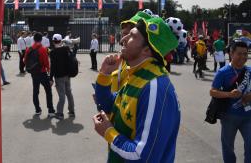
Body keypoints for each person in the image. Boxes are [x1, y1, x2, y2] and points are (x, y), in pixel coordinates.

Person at [93, 16, 180, 163]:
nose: (123, 39)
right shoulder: (138, 75)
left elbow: (141, 155)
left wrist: (108, 132)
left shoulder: (154, 86)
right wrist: (104, 75)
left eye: (131, 36)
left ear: (146, 49)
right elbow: (108, 105)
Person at [210, 40, 251, 163]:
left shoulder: (249, 71)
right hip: (229, 116)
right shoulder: (223, 72)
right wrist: (229, 94)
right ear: (231, 54)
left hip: (248, 116)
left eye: (246, 54)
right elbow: (212, 91)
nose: (243, 57)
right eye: (240, 53)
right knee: (228, 147)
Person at [24, 32, 55, 117]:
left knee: (35, 91)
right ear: (41, 39)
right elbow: (46, 63)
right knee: (48, 91)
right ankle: (50, 110)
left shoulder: (29, 49)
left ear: (33, 39)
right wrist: (49, 72)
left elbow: (24, 61)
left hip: (34, 73)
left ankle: (37, 109)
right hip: (42, 72)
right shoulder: (42, 49)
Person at [49, 33, 75, 120]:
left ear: (53, 41)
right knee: (69, 93)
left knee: (61, 95)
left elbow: (52, 66)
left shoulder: (52, 52)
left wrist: (50, 78)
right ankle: (71, 111)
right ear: (61, 41)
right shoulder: (66, 49)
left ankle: (60, 113)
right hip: (67, 75)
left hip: (58, 76)